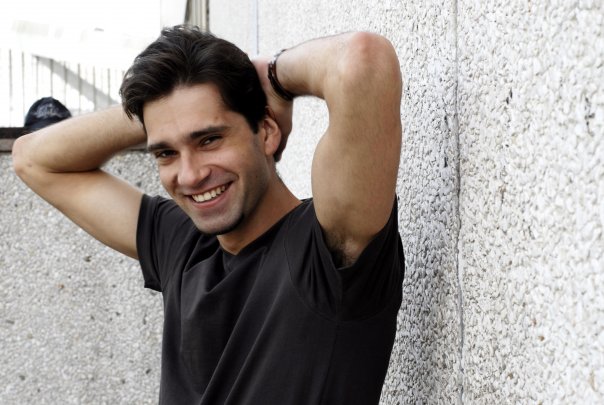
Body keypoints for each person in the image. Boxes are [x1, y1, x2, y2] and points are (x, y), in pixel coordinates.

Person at [12, 25, 404, 405]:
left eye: (209, 139)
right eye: (166, 152)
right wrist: (159, 112)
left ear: (267, 132)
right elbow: (32, 158)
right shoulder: (182, 243)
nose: (190, 175)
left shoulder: (327, 251)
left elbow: (362, 61)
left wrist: (271, 76)